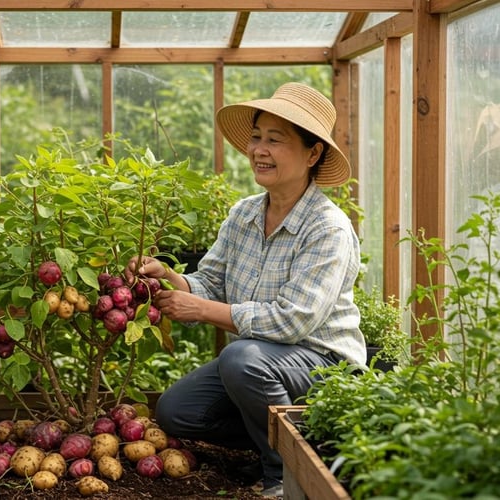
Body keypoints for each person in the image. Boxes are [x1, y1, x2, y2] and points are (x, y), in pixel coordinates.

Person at [125, 82, 366, 498]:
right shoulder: (244, 214)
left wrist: (201, 310)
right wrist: (167, 276)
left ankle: (283, 476)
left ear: (313, 154)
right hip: (257, 362)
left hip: (321, 365)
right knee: (176, 410)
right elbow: (210, 283)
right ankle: (288, 445)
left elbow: (295, 321)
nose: (259, 149)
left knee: (240, 357)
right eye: (256, 137)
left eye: (276, 140)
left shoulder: (328, 228)